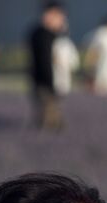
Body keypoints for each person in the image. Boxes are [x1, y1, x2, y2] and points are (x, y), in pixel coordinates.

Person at [28, 3, 77, 131]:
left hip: (51, 82)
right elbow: (45, 62)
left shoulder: (52, 35)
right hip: (46, 83)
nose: (62, 20)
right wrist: (52, 83)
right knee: (50, 120)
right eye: (59, 16)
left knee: (52, 117)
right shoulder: (42, 35)